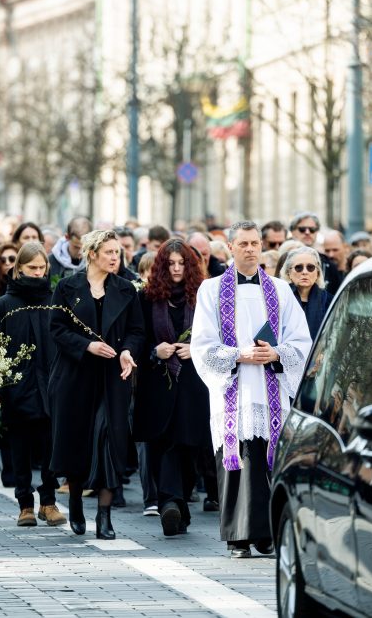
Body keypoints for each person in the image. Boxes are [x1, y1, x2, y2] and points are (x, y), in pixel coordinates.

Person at [191, 221, 312, 558]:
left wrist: (276, 353)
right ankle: (237, 537)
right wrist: (238, 355)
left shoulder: (280, 290)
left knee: (266, 461)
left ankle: (267, 534)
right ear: (230, 247)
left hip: (269, 383)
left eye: (255, 243)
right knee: (236, 461)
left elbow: (301, 340)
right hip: (234, 386)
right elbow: (202, 342)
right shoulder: (211, 290)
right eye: (243, 243)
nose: (250, 249)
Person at [48, 229, 144, 540]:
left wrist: (127, 351)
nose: (116, 258)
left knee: (108, 440)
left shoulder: (126, 289)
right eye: (109, 253)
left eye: (118, 253)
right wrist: (86, 346)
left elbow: (136, 331)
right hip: (76, 376)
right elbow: (57, 329)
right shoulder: (67, 287)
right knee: (77, 440)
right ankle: (75, 501)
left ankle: (105, 517)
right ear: (92, 254)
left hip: (112, 378)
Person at [134, 239, 212, 536]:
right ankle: (169, 502)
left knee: (189, 446)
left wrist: (196, 350)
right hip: (159, 382)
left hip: (193, 383)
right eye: (171, 264)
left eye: (182, 263)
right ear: (162, 267)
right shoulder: (147, 298)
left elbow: (217, 338)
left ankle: (179, 505)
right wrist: (156, 351)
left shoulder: (203, 298)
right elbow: (137, 338)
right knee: (163, 443)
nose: (177, 269)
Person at [0, 242, 66, 527]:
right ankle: (24, 505)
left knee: (50, 446)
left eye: (42, 268)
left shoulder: (55, 299)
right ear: (18, 268)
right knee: (19, 447)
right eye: (32, 267)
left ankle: (48, 501)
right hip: (17, 386)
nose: (37, 273)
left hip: (51, 383)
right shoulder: (4, 305)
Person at [282, 246, 331, 342]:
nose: (305, 272)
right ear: (289, 273)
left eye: (310, 267)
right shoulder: (280, 299)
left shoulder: (329, 301)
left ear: (317, 273)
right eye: (299, 268)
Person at [289, 212, 342, 295]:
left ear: (317, 232)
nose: (307, 232)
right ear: (292, 232)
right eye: (302, 229)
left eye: (312, 229)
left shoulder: (327, 264)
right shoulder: (282, 258)